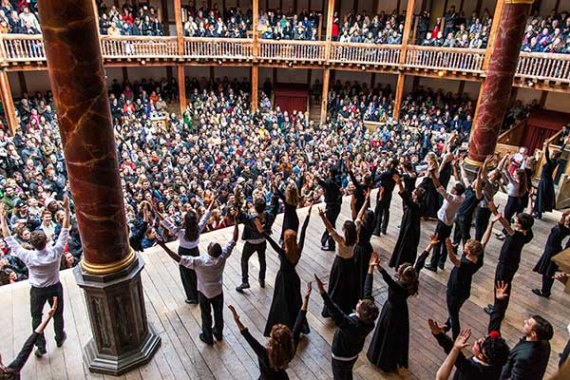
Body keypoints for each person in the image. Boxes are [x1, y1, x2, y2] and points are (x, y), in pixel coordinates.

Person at [0, 197, 70, 357]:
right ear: (46, 241)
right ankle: (59, 337)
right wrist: (66, 210)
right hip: (54, 287)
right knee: (58, 314)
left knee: (36, 318)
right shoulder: (56, 251)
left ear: (32, 244)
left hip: (37, 290)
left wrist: (2, 219)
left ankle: (41, 346)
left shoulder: (28, 255)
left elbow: (9, 239)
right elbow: (65, 230)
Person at [155, 215, 239, 345]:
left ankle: (207, 337)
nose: (209, 243)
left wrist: (163, 246)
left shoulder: (200, 262)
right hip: (218, 290)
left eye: (210, 245)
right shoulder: (222, 256)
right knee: (218, 313)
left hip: (204, 292)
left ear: (209, 251)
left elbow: (179, 259)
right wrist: (237, 223)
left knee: (206, 315)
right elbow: (234, 239)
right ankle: (218, 332)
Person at [366, 236, 436, 373]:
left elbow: (387, 279)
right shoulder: (410, 282)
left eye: (399, 269)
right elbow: (420, 262)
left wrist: (377, 266)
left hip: (391, 311)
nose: (398, 268)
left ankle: (382, 360)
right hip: (401, 311)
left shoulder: (398, 286)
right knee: (396, 336)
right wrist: (430, 246)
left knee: (386, 335)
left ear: (402, 275)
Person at [228, 282, 312, 380]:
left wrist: (237, 320)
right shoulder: (290, 350)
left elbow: (248, 337)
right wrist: (306, 299)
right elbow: (299, 322)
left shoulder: (265, 354)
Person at [314, 263, 379, 380]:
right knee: (348, 372)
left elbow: (334, 310)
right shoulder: (370, 321)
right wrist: (370, 268)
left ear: (360, 312)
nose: (359, 301)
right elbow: (367, 292)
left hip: (340, 356)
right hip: (353, 355)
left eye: (360, 303)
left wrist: (322, 291)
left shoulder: (350, 325)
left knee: (339, 376)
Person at [258, 205, 312, 337]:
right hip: (294, 278)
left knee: (280, 303)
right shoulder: (297, 250)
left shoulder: (283, 253)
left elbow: (271, 242)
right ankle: (298, 325)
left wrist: (263, 232)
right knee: (295, 301)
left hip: (282, 278)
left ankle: (282, 325)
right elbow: (303, 232)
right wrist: (308, 216)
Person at [484, 202, 534, 333]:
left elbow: (505, 224)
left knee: (500, 286)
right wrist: (530, 201)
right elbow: (528, 214)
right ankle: (499, 308)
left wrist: (495, 212)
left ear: (520, 225)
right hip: (513, 263)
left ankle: (497, 310)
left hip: (505, 264)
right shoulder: (528, 234)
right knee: (506, 285)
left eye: (516, 221)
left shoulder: (515, 234)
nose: (514, 222)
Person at [158, 197, 217, 304]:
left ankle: (192, 297)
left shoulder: (180, 232)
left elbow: (166, 223)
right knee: (197, 273)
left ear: (185, 221)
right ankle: (200, 293)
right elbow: (207, 214)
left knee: (186, 276)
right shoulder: (198, 228)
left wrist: (155, 211)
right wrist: (213, 200)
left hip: (183, 253)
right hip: (195, 252)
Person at [429, 319, 510, 379]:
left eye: (479, 344)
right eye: (484, 338)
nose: (477, 340)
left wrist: (439, 334)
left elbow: (457, 357)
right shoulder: (497, 362)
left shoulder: (472, 371)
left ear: (482, 356)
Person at [0, 297, 58, 379]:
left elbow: (28, 345)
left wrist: (48, 317)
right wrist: (48, 317)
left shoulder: (9, 371)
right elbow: (28, 346)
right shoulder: (11, 371)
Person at [317, 206, 358, 317]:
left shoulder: (341, 240)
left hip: (339, 264)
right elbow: (358, 219)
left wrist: (322, 216)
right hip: (350, 264)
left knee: (336, 286)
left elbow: (329, 227)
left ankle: (331, 309)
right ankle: (346, 308)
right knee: (347, 287)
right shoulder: (355, 238)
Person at [424, 166, 466, 272]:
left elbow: (438, 186)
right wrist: (455, 167)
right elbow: (457, 180)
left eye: (453, 187)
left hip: (442, 223)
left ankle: (433, 264)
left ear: (455, 191)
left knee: (437, 242)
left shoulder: (451, 198)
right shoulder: (462, 197)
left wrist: (433, 174)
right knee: (445, 242)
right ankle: (441, 262)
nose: (451, 187)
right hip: (450, 223)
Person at [443, 237, 486, 340]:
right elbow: (484, 241)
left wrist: (448, 247)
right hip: (464, 291)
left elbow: (453, 259)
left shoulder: (465, 264)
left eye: (466, 247)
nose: (464, 247)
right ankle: (446, 325)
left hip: (455, 292)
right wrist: (491, 224)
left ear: (470, 251)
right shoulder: (477, 260)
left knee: (454, 315)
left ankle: (455, 339)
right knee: (454, 310)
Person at [236, 196, 279, 292]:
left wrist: (238, 204)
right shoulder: (269, 215)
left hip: (250, 243)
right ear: (264, 207)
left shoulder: (251, 219)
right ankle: (262, 279)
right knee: (262, 260)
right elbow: (274, 207)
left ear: (255, 207)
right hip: (262, 241)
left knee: (244, 260)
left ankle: (245, 281)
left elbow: (240, 215)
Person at [500, 315, 554, 380]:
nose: (524, 321)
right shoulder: (546, 343)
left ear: (533, 333)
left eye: (528, 323)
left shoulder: (524, 357)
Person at [389, 173, 425, 268]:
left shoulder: (416, 206)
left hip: (410, 231)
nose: (412, 193)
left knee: (405, 249)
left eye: (413, 193)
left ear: (416, 196)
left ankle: (403, 266)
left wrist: (400, 184)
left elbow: (405, 196)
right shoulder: (416, 204)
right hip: (408, 228)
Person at [532, 209, 570, 298]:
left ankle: (545, 291)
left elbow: (560, 225)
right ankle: (545, 290)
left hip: (553, 251)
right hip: (550, 249)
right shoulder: (564, 228)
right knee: (547, 272)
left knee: (548, 272)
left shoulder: (565, 230)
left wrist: (563, 215)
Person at [353, 190, 375, 300]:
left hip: (359, 249)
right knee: (365, 271)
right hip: (368, 248)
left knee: (357, 271)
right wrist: (367, 201)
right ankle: (364, 291)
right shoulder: (371, 226)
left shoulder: (359, 226)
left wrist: (365, 202)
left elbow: (358, 215)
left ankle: (356, 293)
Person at [533, 140, 564, 219]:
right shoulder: (555, 162)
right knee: (541, 197)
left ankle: (538, 213)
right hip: (547, 180)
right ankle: (537, 212)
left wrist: (546, 146)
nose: (552, 154)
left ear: (555, 156)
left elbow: (546, 155)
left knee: (540, 197)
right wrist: (564, 144)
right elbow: (560, 152)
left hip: (545, 181)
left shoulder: (551, 162)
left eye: (553, 154)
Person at [315, 164, 343, 251]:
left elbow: (323, 183)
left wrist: (317, 177)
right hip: (337, 205)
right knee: (331, 224)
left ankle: (331, 245)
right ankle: (327, 241)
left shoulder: (329, 182)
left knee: (330, 225)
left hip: (331, 206)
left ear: (330, 173)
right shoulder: (338, 180)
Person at [372, 158, 398, 236]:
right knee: (386, 210)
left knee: (379, 211)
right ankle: (384, 228)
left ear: (392, 164)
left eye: (389, 161)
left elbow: (374, 180)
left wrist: (374, 168)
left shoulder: (386, 173)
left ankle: (377, 230)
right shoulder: (396, 172)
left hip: (382, 192)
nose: (386, 162)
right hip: (389, 193)